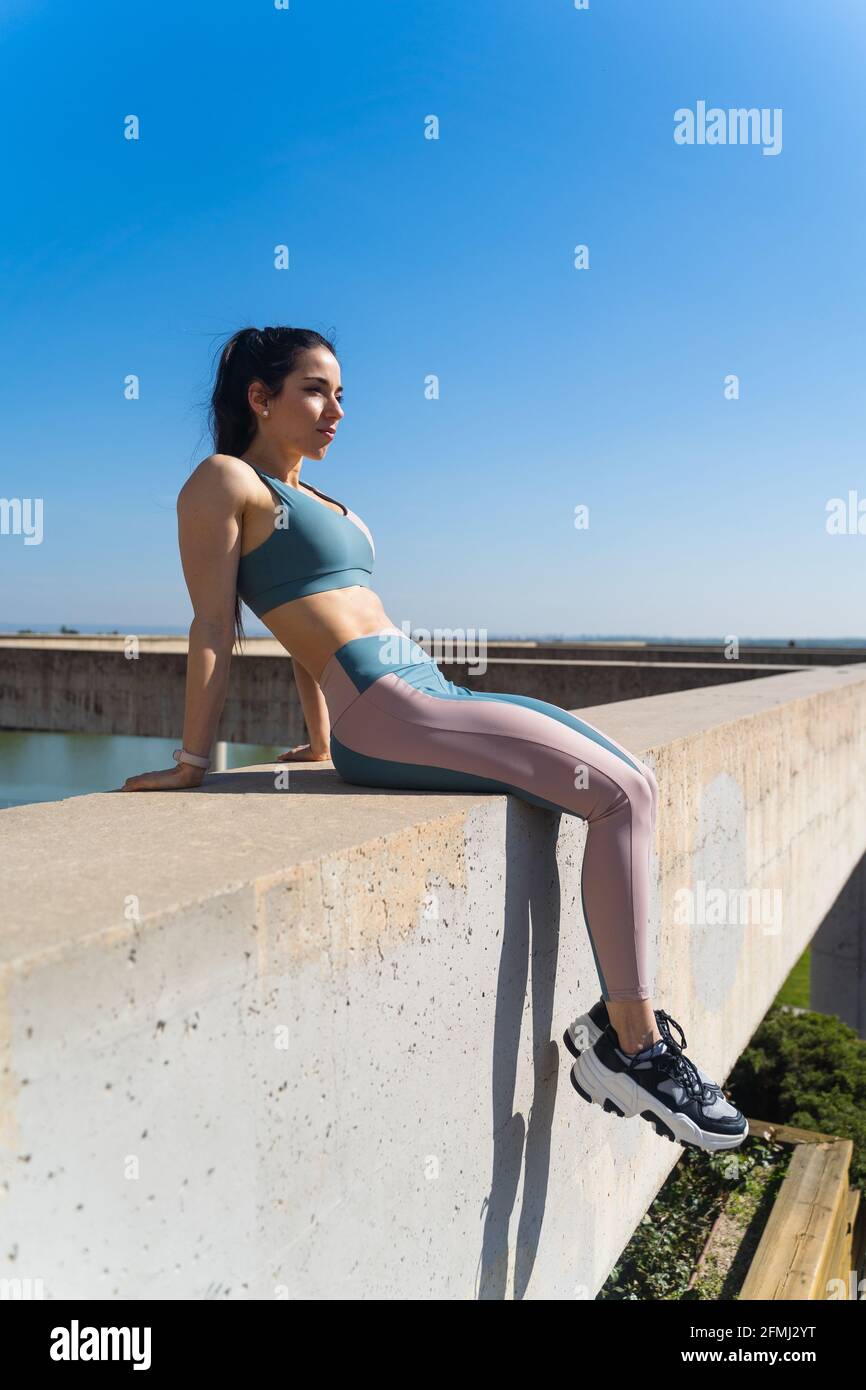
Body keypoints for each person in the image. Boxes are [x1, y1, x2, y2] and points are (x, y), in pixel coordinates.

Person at [121, 324, 747, 1153]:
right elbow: (215, 623)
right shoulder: (222, 480)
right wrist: (194, 763)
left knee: (632, 778)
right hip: (388, 710)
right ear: (259, 397)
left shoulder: (322, 502)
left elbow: (310, 619)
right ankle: (633, 1047)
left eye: (342, 393)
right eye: (315, 389)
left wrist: (315, 741)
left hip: (426, 692)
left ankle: (626, 1039)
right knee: (621, 796)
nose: (336, 409)